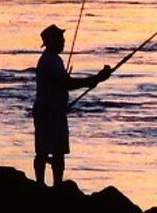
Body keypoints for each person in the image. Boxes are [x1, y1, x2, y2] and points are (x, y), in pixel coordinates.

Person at [33, 24, 111, 186]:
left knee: (55, 150)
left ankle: (50, 185)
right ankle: (45, 185)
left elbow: (64, 84)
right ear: (52, 41)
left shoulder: (53, 59)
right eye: (60, 39)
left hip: (53, 110)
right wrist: (94, 79)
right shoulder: (50, 61)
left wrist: (93, 80)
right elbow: (66, 83)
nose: (63, 42)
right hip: (49, 112)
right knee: (48, 151)